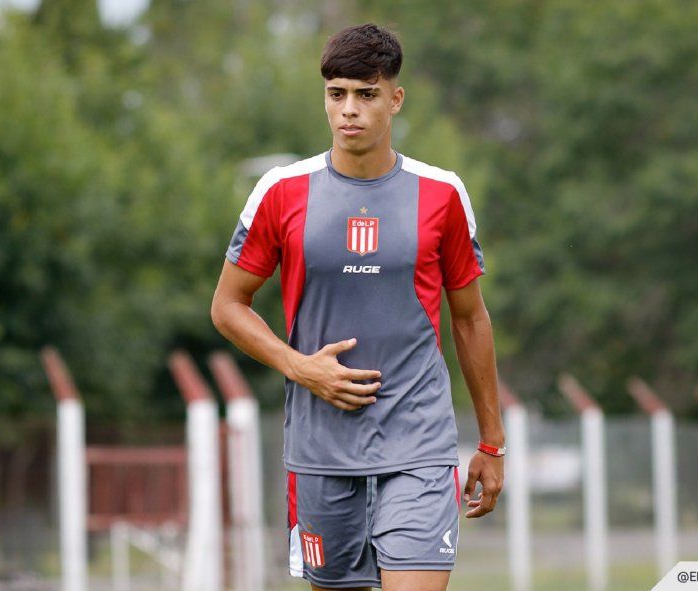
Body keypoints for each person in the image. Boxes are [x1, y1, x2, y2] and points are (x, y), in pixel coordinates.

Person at [211, 23, 505, 591]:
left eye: (366, 95)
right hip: (321, 452)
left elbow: (470, 318)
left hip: (417, 445)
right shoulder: (281, 190)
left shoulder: (441, 192)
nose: (349, 110)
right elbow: (227, 306)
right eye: (336, 93)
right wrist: (299, 366)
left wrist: (491, 443)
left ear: (394, 99)